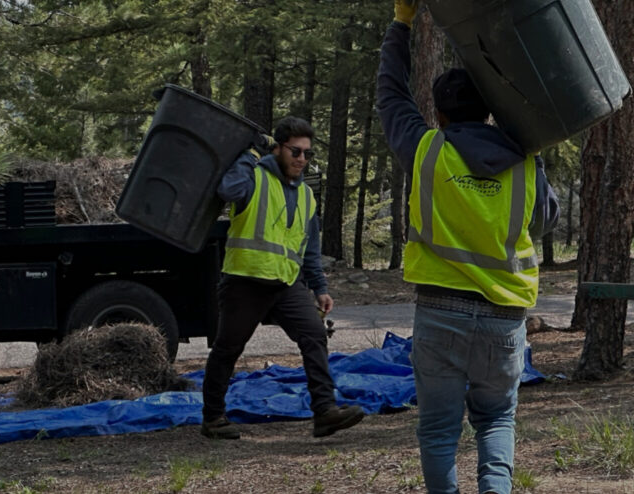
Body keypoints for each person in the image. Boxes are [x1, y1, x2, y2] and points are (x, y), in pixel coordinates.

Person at [377, 1, 561, 493]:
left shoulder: (424, 149)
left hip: (439, 314)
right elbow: (545, 221)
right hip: (504, 319)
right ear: (488, 109)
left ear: (438, 112)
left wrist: (403, 22)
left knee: (438, 430)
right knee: (497, 421)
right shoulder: (526, 163)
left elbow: (390, 93)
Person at [200, 116, 365, 440]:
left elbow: (310, 249)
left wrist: (320, 288)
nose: (301, 159)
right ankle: (213, 418)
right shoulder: (255, 177)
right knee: (228, 349)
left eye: (307, 153)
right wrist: (251, 155)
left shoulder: (306, 196)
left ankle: (324, 413)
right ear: (277, 149)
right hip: (245, 281)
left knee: (314, 334)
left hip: (287, 285)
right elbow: (227, 188)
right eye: (295, 151)